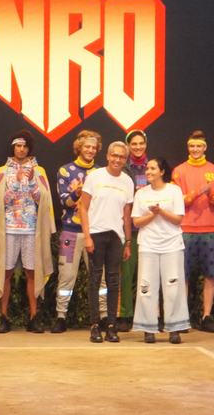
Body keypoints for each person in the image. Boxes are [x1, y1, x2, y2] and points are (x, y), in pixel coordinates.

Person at [0, 130, 55, 333]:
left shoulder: (39, 171)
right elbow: (1, 202)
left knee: (32, 272)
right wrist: (16, 181)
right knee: (5, 273)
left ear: (29, 148)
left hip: (31, 230)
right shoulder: (2, 172)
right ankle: (3, 317)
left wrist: (32, 181)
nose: (21, 149)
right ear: (13, 147)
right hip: (8, 229)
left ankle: (34, 317)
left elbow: (42, 201)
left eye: (25, 146)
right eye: (18, 146)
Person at [51, 130, 106, 333]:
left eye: (94, 147)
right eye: (87, 147)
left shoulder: (101, 172)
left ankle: (103, 316)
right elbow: (64, 202)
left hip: (95, 232)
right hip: (70, 232)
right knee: (66, 275)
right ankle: (61, 316)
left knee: (100, 276)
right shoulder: (66, 171)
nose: (90, 150)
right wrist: (77, 192)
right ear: (79, 148)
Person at [172, 130, 214, 333]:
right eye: (192, 146)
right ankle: (181, 317)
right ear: (188, 147)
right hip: (185, 229)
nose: (195, 149)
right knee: (183, 275)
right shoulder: (179, 171)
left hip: (209, 230)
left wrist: (210, 192)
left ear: (205, 147)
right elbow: (177, 201)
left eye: (199, 146)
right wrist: (197, 192)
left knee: (210, 274)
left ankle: (206, 316)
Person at [80, 141, 134, 343]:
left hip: (116, 237)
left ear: (125, 160)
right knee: (95, 280)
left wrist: (127, 242)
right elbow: (83, 208)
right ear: (108, 156)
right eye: (114, 155)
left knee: (113, 281)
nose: (117, 160)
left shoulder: (127, 181)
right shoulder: (95, 177)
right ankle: (94, 325)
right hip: (96, 233)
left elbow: (126, 215)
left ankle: (111, 326)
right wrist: (87, 236)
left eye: (122, 157)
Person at [131, 158, 190, 344]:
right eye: (147, 168)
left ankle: (175, 328)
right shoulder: (141, 193)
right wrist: (152, 214)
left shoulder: (174, 190)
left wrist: (161, 212)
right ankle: (148, 328)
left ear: (162, 171)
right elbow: (136, 222)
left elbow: (178, 219)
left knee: (173, 286)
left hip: (172, 245)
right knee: (146, 287)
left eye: (152, 168)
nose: (148, 171)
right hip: (148, 245)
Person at [118, 129, 149, 332]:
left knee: (147, 276)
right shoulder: (122, 169)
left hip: (149, 229)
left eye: (141, 143)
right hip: (128, 229)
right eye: (134, 144)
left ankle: (146, 315)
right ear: (128, 146)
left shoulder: (153, 167)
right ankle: (125, 314)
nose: (138, 147)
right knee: (126, 275)